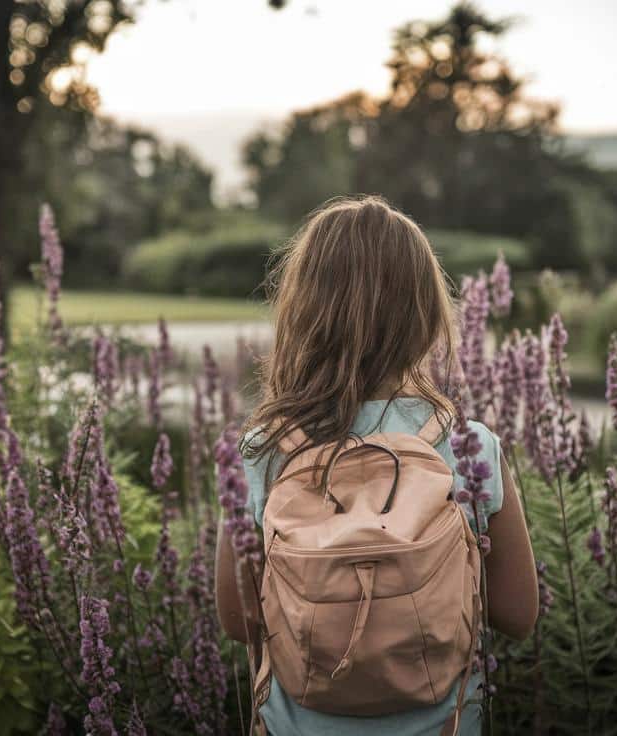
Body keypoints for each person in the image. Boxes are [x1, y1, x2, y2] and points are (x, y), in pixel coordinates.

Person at [215, 195, 539, 735]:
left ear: (300, 313)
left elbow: (240, 621)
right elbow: (517, 615)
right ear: (428, 316)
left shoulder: (259, 453)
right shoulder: (469, 447)